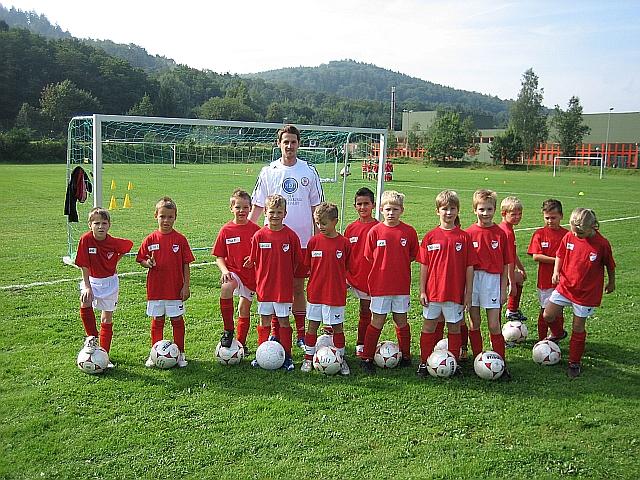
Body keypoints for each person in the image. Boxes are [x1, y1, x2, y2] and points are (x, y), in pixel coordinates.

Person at [249, 124, 323, 349]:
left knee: (297, 288)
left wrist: (319, 240)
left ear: (298, 144)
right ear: (279, 144)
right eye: (285, 142)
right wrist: (246, 233)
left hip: (302, 242)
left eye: (293, 142)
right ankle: (274, 334)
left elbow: (317, 209)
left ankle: (300, 334)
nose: (289, 146)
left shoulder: (308, 171)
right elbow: (257, 205)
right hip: (271, 244)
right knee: (273, 289)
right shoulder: (268, 171)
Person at [542, 208, 615, 378]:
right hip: (566, 286)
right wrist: (556, 271)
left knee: (577, 327)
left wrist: (612, 282)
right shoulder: (569, 236)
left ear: (593, 226)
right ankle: (558, 333)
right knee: (548, 315)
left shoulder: (602, 244)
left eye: (580, 233)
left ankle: (574, 362)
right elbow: (560, 254)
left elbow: (610, 265)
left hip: (586, 293)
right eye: (574, 231)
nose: (576, 235)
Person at [416, 190, 477, 377]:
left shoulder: (464, 237)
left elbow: (469, 267)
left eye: (452, 209)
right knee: (429, 326)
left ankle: (453, 363)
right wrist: (422, 291)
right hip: (433, 293)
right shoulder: (430, 236)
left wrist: (468, 293)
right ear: (437, 211)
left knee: (454, 327)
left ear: (458, 211)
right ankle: (424, 362)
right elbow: (424, 266)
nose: (448, 212)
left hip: (454, 292)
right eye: (444, 209)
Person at [359, 190, 419, 373]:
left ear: (402, 210)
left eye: (395, 209)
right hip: (380, 286)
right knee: (377, 321)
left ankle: (406, 356)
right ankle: (367, 357)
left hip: (400, 286)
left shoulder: (408, 232)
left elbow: (412, 255)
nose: (391, 213)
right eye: (387, 209)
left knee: (401, 320)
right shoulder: (375, 232)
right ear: (381, 210)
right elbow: (369, 256)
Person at [246, 194, 303, 371]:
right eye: (272, 212)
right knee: (264, 321)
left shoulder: (291, 236)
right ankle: (261, 354)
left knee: (284, 321)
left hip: (283, 289)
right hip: (264, 288)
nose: (275, 215)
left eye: (279, 212)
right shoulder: (259, 236)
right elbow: (253, 260)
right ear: (265, 212)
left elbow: (296, 261)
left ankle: (287, 356)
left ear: (285, 213)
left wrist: (285, 276)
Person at [137, 197, 195, 368]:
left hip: (175, 289)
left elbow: (186, 264)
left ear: (175, 217)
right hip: (156, 289)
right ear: (156, 215)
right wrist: (147, 263)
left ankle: (181, 353)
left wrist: (186, 286)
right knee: (157, 320)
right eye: (162, 216)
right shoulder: (150, 239)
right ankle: (154, 353)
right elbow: (141, 259)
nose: (166, 220)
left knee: (177, 320)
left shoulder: (180, 239)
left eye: (170, 217)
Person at [74, 207, 133, 367]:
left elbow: (128, 245)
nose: (100, 226)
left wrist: (114, 261)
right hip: (92, 281)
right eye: (97, 223)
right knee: (85, 301)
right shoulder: (85, 240)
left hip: (110, 283)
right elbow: (83, 265)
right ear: (90, 225)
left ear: (109, 225)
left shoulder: (112, 242)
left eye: (104, 223)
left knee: (106, 317)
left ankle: (104, 355)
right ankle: (92, 339)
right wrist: (87, 286)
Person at [465, 189, 514, 377]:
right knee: (474, 322)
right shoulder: (468, 233)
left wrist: (504, 288)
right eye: (481, 209)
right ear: (474, 210)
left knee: (494, 325)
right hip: (473, 281)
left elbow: (505, 264)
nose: (485, 213)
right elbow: (465, 266)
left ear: (495, 210)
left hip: (492, 281)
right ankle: (479, 360)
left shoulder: (501, 234)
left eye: (489, 209)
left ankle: (501, 362)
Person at [301, 202, 351, 375]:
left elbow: (348, 266)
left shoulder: (344, 243)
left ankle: (340, 359)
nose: (320, 226)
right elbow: (307, 266)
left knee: (337, 327)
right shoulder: (313, 242)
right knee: (312, 326)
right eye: (317, 223)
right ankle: (308, 358)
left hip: (335, 294)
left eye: (324, 223)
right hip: (316, 293)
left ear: (335, 221)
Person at [212, 189, 260, 354]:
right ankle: (228, 330)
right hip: (233, 272)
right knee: (226, 287)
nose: (242, 211)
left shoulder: (256, 230)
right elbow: (219, 256)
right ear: (231, 208)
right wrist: (224, 270)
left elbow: (263, 254)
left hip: (251, 276)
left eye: (245, 207)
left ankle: (241, 344)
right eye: (238, 207)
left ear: (250, 208)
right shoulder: (226, 230)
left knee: (244, 308)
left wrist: (253, 259)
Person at [527, 199, 569, 340]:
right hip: (545, 280)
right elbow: (536, 256)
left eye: (553, 218)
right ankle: (542, 339)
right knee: (545, 310)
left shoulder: (567, 235)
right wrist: (558, 260)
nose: (550, 221)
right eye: (547, 218)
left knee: (558, 311)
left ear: (561, 216)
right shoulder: (539, 234)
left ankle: (556, 336)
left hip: (563, 280)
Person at [344, 187, 378, 358]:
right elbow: (344, 253)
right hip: (351, 276)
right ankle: (332, 340)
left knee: (366, 310)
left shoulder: (379, 227)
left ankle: (362, 343)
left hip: (370, 278)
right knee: (333, 305)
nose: (363, 207)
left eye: (366, 204)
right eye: (359, 204)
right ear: (355, 206)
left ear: (373, 205)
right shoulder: (351, 229)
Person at [499, 196, 527, 323]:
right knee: (497, 303)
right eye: (514, 214)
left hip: (501, 269)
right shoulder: (507, 232)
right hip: (501, 271)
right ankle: (511, 311)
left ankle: (512, 310)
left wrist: (521, 268)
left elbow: (512, 254)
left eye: (520, 214)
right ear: (504, 214)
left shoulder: (506, 228)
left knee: (520, 277)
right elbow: (508, 259)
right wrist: (511, 282)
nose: (518, 217)